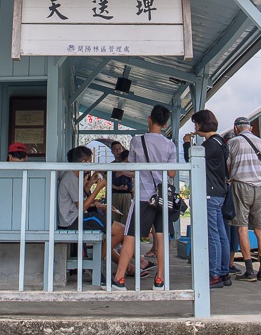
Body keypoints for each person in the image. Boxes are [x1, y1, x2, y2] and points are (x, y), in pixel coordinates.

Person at [112, 104, 175, 290]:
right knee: (161, 237)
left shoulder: (136, 141)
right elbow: (171, 173)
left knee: (130, 235)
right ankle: (160, 280)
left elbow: (131, 163)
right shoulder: (170, 144)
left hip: (143, 196)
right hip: (162, 198)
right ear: (165, 125)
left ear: (149, 119)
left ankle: (120, 278)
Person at [58, 145, 143, 279]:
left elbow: (81, 196)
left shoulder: (73, 176)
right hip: (73, 220)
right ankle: (95, 264)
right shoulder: (70, 178)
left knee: (118, 229)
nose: (91, 165)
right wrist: (99, 188)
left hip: (75, 217)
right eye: (90, 161)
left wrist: (91, 183)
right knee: (120, 230)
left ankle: (102, 263)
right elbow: (82, 207)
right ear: (84, 162)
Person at [183, 109, 231, 288]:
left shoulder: (210, 144)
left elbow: (192, 159)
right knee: (221, 234)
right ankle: (224, 272)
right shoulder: (221, 142)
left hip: (210, 194)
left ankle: (214, 274)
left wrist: (187, 144)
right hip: (220, 192)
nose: (195, 127)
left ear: (202, 124)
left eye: (196, 123)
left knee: (212, 235)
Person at [227, 116, 261, 281]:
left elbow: (229, 167)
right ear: (250, 128)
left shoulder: (233, 142)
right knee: (260, 230)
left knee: (242, 227)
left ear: (236, 128)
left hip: (241, 185)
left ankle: (249, 271)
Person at [110, 147, 133, 226]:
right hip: (123, 193)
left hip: (118, 194)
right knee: (126, 216)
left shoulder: (114, 166)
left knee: (116, 217)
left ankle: (115, 233)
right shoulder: (128, 167)